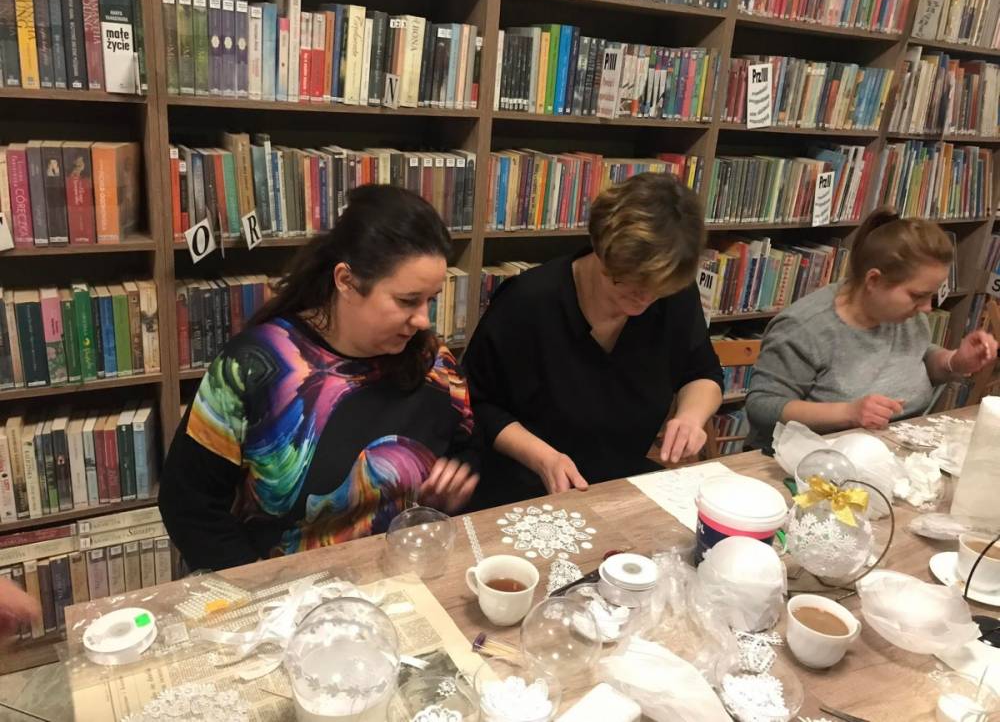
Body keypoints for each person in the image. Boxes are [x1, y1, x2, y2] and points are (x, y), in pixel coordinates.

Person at [160, 186, 479, 572]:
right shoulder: (254, 368)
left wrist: (445, 493)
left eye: (432, 299)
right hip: (283, 585)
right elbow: (188, 506)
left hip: (401, 575)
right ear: (346, 281)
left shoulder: (434, 363)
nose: (424, 320)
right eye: (407, 300)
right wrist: (258, 585)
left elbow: (464, 446)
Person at [463, 172, 724, 507]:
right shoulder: (529, 302)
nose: (644, 299)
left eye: (657, 289)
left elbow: (702, 372)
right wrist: (544, 458)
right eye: (630, 282)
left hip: (617, 486)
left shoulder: (673, 294)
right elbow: (477, 404)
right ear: (602, 250)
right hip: (524, 489)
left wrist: (690, 416)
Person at [746, 208, 998, 452]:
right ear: (874, 280)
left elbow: (917, 357)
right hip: (814, 455)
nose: (927, 308)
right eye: (918, 295)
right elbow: (763, 407)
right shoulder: (806, 327)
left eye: (931, 295)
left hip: (896, 447)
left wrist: (955, 361)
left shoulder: (905, 314)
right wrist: (848, 413)